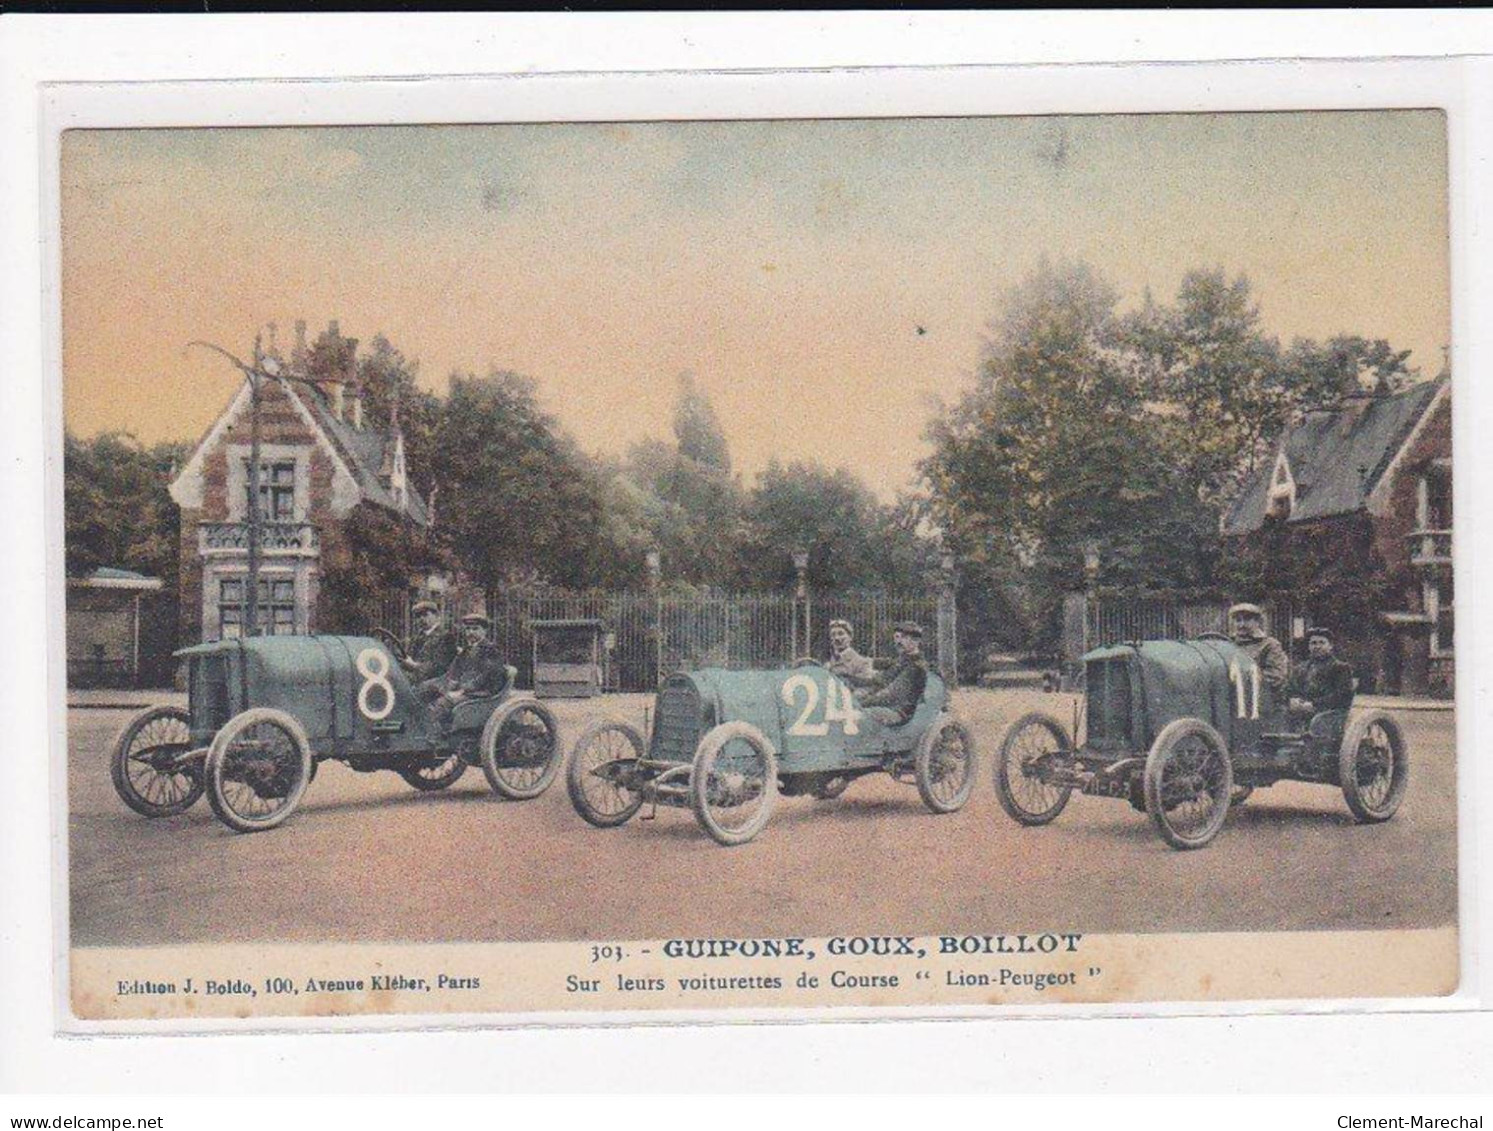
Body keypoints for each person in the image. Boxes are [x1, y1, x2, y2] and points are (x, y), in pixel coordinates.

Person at [418, 612, 508, 736]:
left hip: (483, 692)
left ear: (485, 631)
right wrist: (444, 684)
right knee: (423, 689)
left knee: (444, 702)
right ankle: (419, 726)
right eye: (467, 629)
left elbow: (485, 676)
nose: (470, 632)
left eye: (475, 629)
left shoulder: (491, 650)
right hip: (465, 689)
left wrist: (462, 690)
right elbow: (453, 671)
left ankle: (431, 735)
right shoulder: (466, 650)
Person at [857, 621, 928, 726]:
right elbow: (880, 676)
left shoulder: (916, 667)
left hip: (899, 713)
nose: (898, 642)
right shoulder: (903, 660)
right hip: (889, 707)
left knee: (858, 716)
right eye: (897, 638)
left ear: (915, 641)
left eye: (903, 637)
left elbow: (889, 695)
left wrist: (859, 704)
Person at [1288, 627, 1356, 723]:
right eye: (1313, 643)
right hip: (1302, 711)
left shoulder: (1340, 667)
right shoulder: (1300, 668)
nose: (1317, 646)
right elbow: (1291, 689)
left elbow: (1343, 696)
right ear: (1309, 646)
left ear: (1330, 645)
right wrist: (1294, 700)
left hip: (1328, 713)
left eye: (1322, 642)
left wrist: (1313, 704)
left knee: (1317, 721)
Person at [1228, 602, 1289, 699]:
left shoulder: (1269, 645)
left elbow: (1276, 677)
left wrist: (1241, 680)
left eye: (1247, 619)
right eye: (1238, 620)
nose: (1242, 624)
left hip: (1260, 699)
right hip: (1230, 698)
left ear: (1257, 622)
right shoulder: (1228, 644)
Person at [401, 600, 458, 683]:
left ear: (436, 616)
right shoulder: (417, 637)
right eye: (418, 616)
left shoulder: (446, 637)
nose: (421, 619)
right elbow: (408, 657)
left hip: (434, 682)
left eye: (425, 615)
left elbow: (440, 667)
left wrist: (415, 666)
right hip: (414, 678)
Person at [825, 619, 875, 685]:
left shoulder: (862, 663)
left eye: (841, 634)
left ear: (850, 637)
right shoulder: (827, 666)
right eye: (833, 635)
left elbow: (865, 689)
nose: (836, 638)